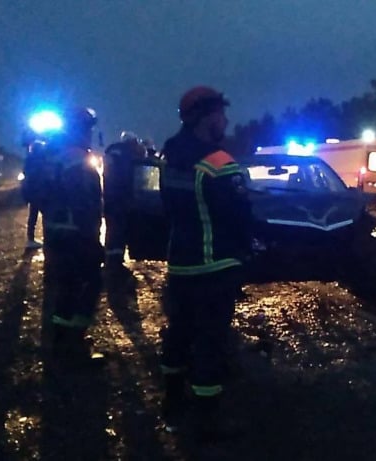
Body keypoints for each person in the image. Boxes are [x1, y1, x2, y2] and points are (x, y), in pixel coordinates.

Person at [158, 86, 252, 437]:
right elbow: (240, 216)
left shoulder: (169, 159)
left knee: (178, 334)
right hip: (215, 268)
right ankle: (207, 419)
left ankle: (171, 403)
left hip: (180, 265)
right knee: (211, 342)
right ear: (205, 118)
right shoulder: (219, 163)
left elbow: (167, 210)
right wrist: (247, 251)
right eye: (221, 115)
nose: (225, 121)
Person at [39, 106, 105, 365]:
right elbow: (85, 204)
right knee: (88, 286)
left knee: (66, 288)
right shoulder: (78, 159)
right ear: (79, 129)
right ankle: (74, 345)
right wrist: (92, 239)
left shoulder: (54, 156)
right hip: (78, 235)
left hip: (57, 232)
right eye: (88, 128)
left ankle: (60, 341)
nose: (90, 133)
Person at [103, 130, 146, 274]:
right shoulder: (128, 154)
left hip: (109, 196)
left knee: (112, 228)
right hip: (124, 198)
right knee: (120, 229)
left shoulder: (112, 152)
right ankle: (116, 262)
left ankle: (110, 258)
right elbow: (133, 175)